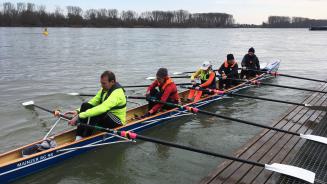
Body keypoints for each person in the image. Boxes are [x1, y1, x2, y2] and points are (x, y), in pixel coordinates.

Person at [55, 70, 127, 141]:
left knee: (98, 112)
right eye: (101, 83)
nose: (101, 86)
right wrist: (78, 111)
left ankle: (86, 137)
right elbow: (93, 102)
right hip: (107, 118)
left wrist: (79, 116)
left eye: (104, 83)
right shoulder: (104, 89)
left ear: (112, 82)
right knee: (85, 105)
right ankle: (79, 137)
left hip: (117, 122)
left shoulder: (117, 93)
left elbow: (102, 108)